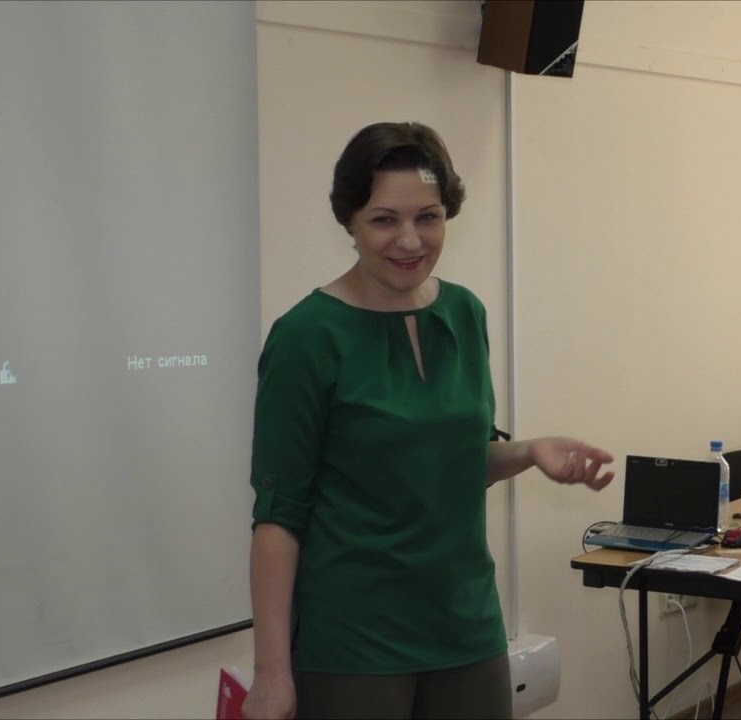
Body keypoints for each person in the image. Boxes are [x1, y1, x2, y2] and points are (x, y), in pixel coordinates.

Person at [242, 122, 615, 720]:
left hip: (466, 625)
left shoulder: (464, 313)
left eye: (429, 217)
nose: (410, 240)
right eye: (384, 219)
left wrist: (529, 451)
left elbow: (453, 463)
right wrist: (270, 674)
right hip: (353, 639)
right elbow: (277, 518)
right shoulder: (306, 337)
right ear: (349, 221)